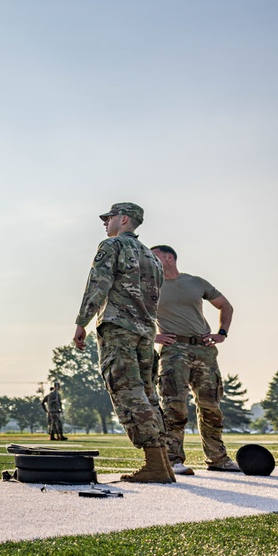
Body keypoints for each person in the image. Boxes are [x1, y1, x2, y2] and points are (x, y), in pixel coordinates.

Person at [73, 202, 172, 483]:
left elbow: (97, 284)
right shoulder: (153, 258)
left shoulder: (112, 246)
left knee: (127, 392)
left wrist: (82, 321)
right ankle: (162, 462)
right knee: (148, 394)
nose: (105, 223)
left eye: (110, 218)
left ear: (124, 219)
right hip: (145, 332)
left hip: (119, 328)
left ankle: (154, 463)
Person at [151, 245, 240, 475]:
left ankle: (218, 459)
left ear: (169, 257)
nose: (149, 259)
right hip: (173, 351)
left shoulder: (196, 282)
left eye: (155, 256)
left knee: (211, 406)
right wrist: (153, 336)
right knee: (173, 406)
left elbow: (225, 305)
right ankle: (173, 460)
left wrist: (222, 333)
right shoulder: (148, 285)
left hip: (204, 349)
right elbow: (133, 315)